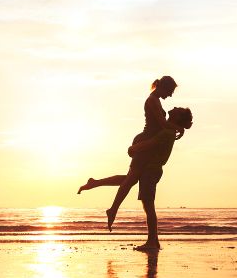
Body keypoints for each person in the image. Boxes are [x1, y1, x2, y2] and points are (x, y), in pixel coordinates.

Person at [80, 107, 193, 252]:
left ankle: (152, 241)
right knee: (128, 180)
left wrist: (134, 148)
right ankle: (154, 241)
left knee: (149, 207)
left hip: (151, 170)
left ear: (178, 117)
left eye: (178, 110)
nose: (175, 107)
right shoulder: (168, 127)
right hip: (149, 168)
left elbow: (151, 143)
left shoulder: (167, 132)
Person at [77, 76, 180, 230]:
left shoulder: (156, 100)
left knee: (130, 178)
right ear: (163, 87)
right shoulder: (152, 100)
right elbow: (162, 123)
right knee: (130, 180)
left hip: (147, 145)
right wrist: (178, 128)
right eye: (170, 91)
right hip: (145, 143)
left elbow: (162, 125)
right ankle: (112, 209)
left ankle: (96, 184)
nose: (170, 95)